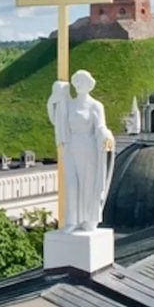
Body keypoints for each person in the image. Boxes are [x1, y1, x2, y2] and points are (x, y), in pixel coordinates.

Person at [47, 70, 115, 232]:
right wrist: (53, 98)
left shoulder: (96, 106)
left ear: (89, 84)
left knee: (88, 184)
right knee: (71, 184)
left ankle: (87, 219)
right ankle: (72, 221)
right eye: (75, 81)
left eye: (81, 81)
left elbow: (100, 127)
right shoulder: (68, 104)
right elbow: (54, 118)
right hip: (71, 146)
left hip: (89, 148)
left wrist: (106, 136)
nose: (78, 85)